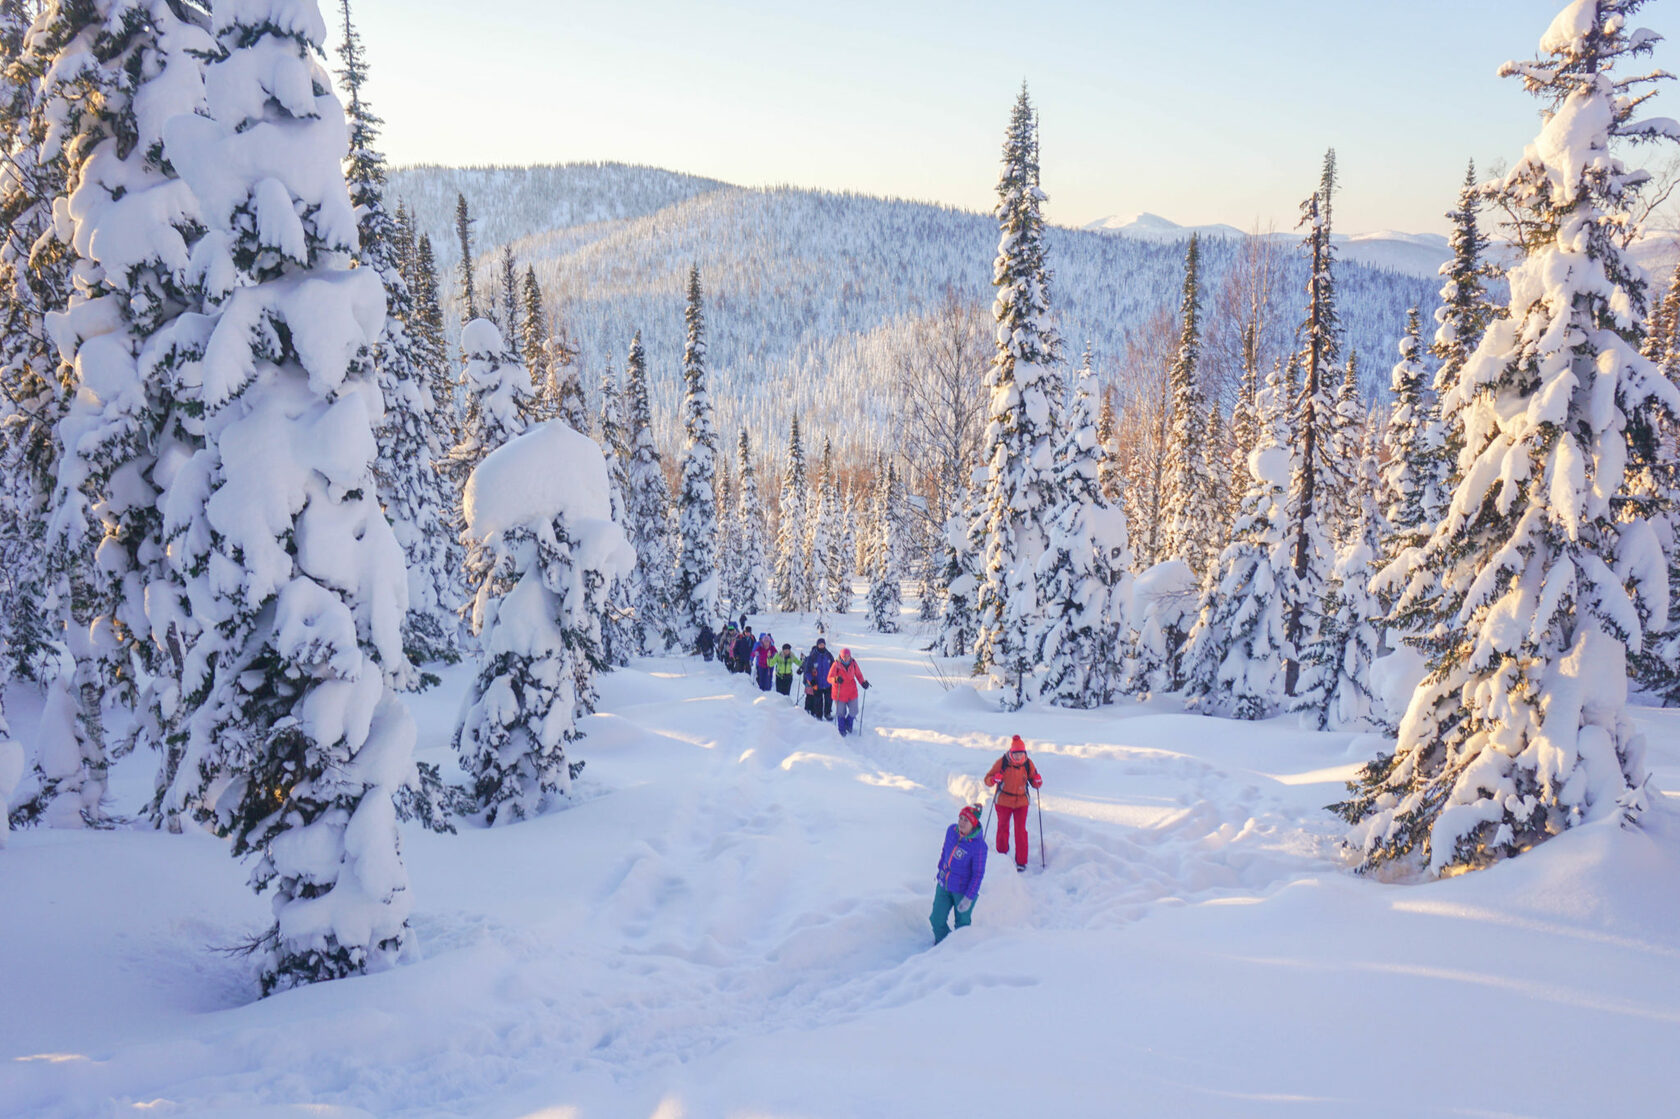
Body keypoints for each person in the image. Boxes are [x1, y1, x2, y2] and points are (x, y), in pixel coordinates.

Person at [984, 735, 1043, 872]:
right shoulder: (1002, 762)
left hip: (1022, 801)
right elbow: (987, 779)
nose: (1018, 757)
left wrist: (1037, 782)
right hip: (1003, 800)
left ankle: (1021, 861)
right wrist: (994, 779)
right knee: (1003, 827)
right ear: (1011, 752)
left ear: (1024, 753)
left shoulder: (1028, 763)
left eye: (1020, 753)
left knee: (1020, 831)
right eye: (1016, 754)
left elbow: (1034, 780)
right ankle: (1002, 855)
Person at [931, 804, 987, 945]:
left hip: (963, 891)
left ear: (973, 825)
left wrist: (969, 897)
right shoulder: (951, 831)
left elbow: (978, 874)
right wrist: (940, 869)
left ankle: (959, 953)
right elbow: (945, 851)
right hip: (944, 884)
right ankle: (943, 946)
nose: (961, 822)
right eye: (960, 818)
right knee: (936, 920)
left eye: (966, 820)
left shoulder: (979, 846)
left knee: (962, 926)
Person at [828, 647, 869, 736]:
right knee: (841, 713)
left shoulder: (853, 663)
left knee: (854, 711)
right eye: (844, 656)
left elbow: (858, 674)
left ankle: (848, 724)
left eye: (848, 656)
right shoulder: (836, 664)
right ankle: (841, 729)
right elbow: (829, 678)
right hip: (839, 693)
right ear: (841, 656)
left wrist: (863, 683)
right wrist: (835, 679)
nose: (846, 658)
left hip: (852, 692)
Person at [801, 638, 834, 720]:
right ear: (817, 645)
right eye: (820, 644)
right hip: (817, 683)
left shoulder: (829, 655)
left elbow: (834, 667)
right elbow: (807, 671)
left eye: (823, 644)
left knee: (829, 700)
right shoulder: (813, 656)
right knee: (818, 701)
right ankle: (818, 715)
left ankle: (827, 713)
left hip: (828, 683)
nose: (821, 646)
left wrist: (835, 678)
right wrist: (812, 681)